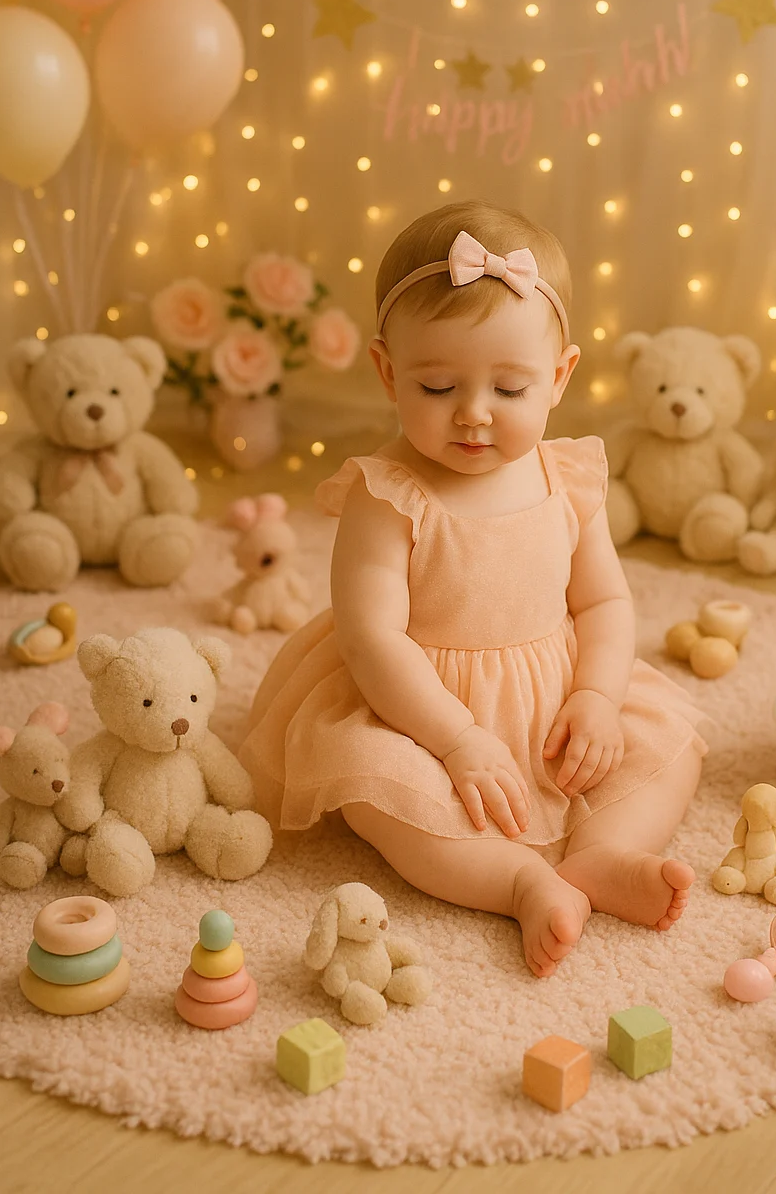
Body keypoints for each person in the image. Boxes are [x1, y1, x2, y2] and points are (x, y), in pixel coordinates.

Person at [240, 202, 707, 978]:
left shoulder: (567, 477)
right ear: (388, 372)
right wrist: (456, 740)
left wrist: (596, 698)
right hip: (415, 707)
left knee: (667, 746)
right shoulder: (386, 496)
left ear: (559, 378)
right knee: (381, 792)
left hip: (554, 697)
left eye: (511, 389)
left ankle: (603, 852)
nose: (474, 415)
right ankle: (517, 883)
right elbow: (372, 639)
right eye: (437, 385)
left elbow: (604, 603)